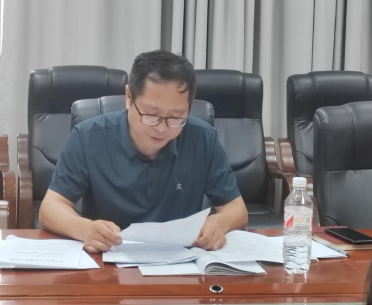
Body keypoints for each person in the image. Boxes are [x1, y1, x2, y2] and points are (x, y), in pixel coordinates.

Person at [39, 50, 248, 253]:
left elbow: (236, 209)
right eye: (152, 114)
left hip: (179, 261)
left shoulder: (203, 138)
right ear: (129, 97)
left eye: (176, 117)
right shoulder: (88, 137)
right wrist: (85, 229)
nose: (162, 128)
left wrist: (217, 223)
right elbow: (50, 208)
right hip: (108, 259)